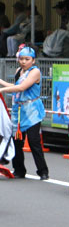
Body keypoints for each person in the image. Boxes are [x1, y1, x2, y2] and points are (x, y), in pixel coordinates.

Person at [0, 44, 49, 180]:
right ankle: (19, 169)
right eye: (21, 59)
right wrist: (2, 82)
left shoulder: (35, 72)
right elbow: (16, 86)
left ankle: (43, 171)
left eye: (27, 59)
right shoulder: (18, 71)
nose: (24, 61)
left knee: (34, 141)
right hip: (19, 111)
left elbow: (22, 87)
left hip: (32, 110)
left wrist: (2, 90)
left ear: (33, 60)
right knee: (17, 141)